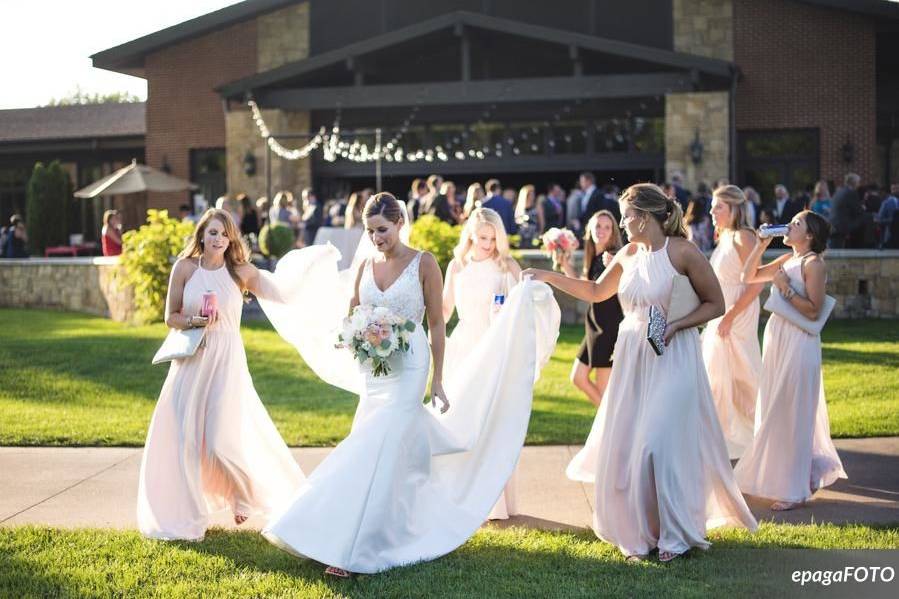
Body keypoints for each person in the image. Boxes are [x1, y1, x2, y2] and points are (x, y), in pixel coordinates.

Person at [258, 193, 559, 575]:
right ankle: (356, 525)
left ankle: (356, 546)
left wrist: (438, 378)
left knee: (380, 441)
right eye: (370, 231)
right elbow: (353, 310)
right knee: (375, 446)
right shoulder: (365, 263)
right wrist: (354, 335)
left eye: (382, 230)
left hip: (410, 364)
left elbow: (436, 322)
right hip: (373, 367)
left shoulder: (425, 263)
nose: (376, 238)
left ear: (399, 222)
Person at [524, 183, 757, 561]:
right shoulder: (628, 253)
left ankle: (676, 532)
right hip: (633, 353)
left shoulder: (682, 251)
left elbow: (716, 302)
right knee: (633, 446)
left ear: (644, 217)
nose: (621, 222)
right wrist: (547, 276)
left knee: (658, 443)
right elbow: (597, 291)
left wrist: (677, 325)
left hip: (673, 353)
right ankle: (643, 530)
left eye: (626, 216)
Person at [137, 209, 304, 540]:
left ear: (231, 240)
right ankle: (188, 512)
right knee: (183, 438)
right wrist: (196, 321)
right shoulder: (184, 268)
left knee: (217, 440)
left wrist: (308, 284)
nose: (217, 239)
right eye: (212, 232)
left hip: (226, 360)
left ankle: (241, 492)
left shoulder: (240, 272)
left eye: (224, 234)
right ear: (202, 234)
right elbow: (170, 316)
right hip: (190, 359)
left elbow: (280, 293)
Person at [735, 210, 847, 510]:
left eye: (796, 223)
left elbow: (813, 310)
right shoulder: (787, 260)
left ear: (808, 235)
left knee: (793, 410)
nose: (789, 225)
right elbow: (748, 276)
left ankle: (795, 490)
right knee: (774, 405)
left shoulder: (814, 264)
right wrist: (760, 244)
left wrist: (784, 288)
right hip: (778, 338)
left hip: (799, 342)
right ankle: (791, 475)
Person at [442, 207, 522, 520]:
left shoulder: (507, 265)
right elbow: (445, 309)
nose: (488, 244)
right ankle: (459, 495)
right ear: (471, 235)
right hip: (463, 345)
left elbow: (527, 304)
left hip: (495, 345)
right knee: (461, 419)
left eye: (493, 238)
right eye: (482, 237)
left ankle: (494, 501)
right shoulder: (456, 266)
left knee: (493, 421)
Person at [701, 186, 764, 459]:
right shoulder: (725, 237)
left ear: (734, 209)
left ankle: (766, 437)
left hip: (738, 317)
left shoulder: (743, 237)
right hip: (721, 315)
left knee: (744, 379)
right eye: (713, 206)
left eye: (718, 207)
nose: (712, 212)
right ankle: (722, 442)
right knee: (717, 379)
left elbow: (756, 283)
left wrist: (730, 316)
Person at [558, 210, 624, 407]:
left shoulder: (612, 257)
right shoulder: (594, 256)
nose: (602, 231)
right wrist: (565, 266)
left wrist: (616, 266)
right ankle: (608, 423)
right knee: (578, 377)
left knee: (605, 390)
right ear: (590, 229)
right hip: (595, 325)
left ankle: (612, 429)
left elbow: (626, 289)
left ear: (613, 231)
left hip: (610, 327)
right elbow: (587, 287)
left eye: (607, 227)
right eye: (598, 226)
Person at [830, 174, 864, 249]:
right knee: (866, 218)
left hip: (834, 225)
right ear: (854, 183)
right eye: (859, 182)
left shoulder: (838, 192)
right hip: (842, 226)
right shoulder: (851, 193)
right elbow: (858, 211)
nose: (859, 184)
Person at [875, 183, 899, 248]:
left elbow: (879, 219)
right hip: (894, 235)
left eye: (897, 189)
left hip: (890, 235)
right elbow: (880, 220)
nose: (896, 191)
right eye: (894, 189)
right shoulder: (892, 201)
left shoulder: (885, 203)